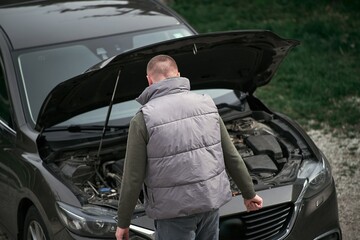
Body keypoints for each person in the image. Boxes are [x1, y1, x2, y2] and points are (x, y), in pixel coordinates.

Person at [115, 54, 263, 240]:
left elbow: (133, 178)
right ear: (178, 74)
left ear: (149, 80)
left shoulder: (143, 118)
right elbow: (231, 155)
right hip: (209, 204)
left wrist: (123, 222)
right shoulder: (207, 105)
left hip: (173, 213)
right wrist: (249, 194)